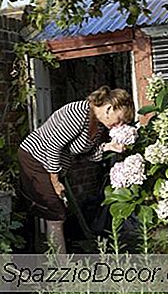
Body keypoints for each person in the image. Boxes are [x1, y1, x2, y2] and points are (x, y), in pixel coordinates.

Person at [18, 85, 134, 253]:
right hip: (36, 158)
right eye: (120, 119)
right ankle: (60, 268)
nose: (119, 125)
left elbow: (86, 155)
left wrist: (109, 147)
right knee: (55, 213)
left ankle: (42, 255)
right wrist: (55, 180)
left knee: (50, 211)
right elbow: (53, 146)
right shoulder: (78, 113)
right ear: (109, 108)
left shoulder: (99, 125)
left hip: (52, 165)